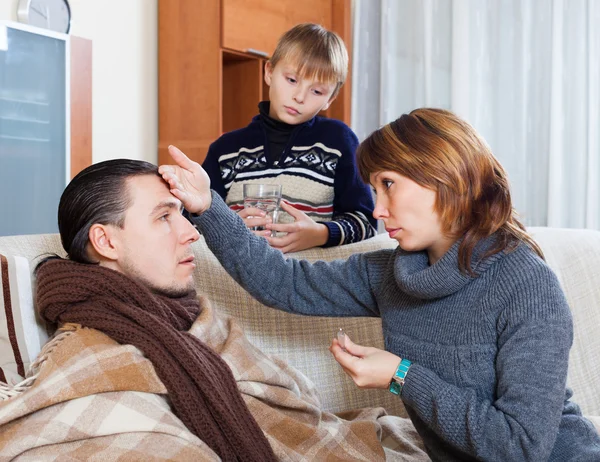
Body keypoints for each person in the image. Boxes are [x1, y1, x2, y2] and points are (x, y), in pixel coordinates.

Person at [160, 108, 600, 461]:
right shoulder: (393, 273)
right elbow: (281, 282)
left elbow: (521, 447)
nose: (377, 210)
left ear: (446, 177)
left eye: (389, 185)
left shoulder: (528, 286)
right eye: (374, 190)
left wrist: (402, 375)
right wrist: (209, 206)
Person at [2, 159, 428, 460]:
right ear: (107, 242)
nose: (191, 232)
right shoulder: (86, 354)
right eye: (164, 217)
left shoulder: (196, 320)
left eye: (183, 215)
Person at [202, 23, 376, 253]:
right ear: (269, 72)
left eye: (317, 91)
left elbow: (366, 223)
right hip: (235, 277)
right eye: (292, 80)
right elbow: (194, 222)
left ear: (330, 100)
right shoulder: (224, 150)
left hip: (308, 277)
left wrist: (321, 234)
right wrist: (227, 227)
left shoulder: (339, 141)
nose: (299, 97)